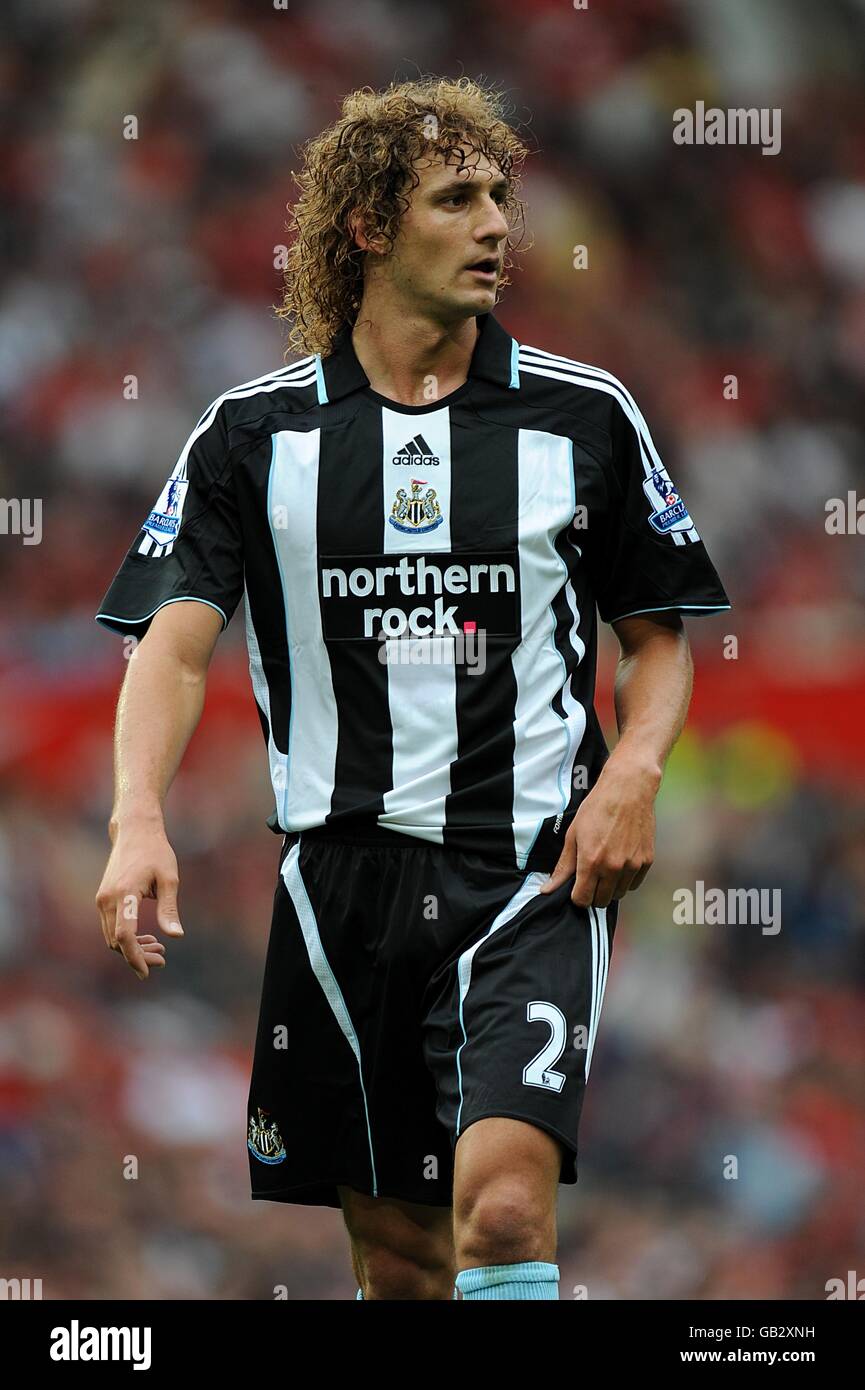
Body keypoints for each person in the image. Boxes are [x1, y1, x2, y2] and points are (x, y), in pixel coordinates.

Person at [94, 76, 730, 1301]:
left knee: (497, 1210)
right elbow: (171, 647)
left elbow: (657, 638)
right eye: (458, 198)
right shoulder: (250, 437)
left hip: (534, 867)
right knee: (399, 1254)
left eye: (501, 196)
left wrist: (636, 773)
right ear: (369, 229)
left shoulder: (583, 415)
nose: (497, 224)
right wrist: (136, 816)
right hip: (341, 881)